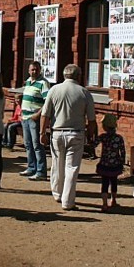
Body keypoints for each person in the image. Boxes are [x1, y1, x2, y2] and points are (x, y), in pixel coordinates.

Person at [40, 64, 97, 211]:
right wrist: (91, 136)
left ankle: (57, 193)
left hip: (57, 132)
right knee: (72, 168)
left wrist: (42, 133)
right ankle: (68, 200)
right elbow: (91, 120)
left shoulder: (54, 90)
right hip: (76, 133)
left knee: (57, 164)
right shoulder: (84, 93)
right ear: (79, 76)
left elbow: (45, 114)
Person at [19, 61, 50, 181]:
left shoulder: (43, 83)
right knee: (28, 144)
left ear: (40, 70)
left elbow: (47, 101)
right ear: (29, 70)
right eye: (32, 70)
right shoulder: (28, 81)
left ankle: (41, 171)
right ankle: (31, 167)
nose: (34, 72)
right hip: (25, 117)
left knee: (37, 144)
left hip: (34, 118)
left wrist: (38, 114)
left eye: (36, 69)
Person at [96, 113, 125, 212]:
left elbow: (94, 144)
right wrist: (122, 161)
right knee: (114, 182)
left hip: (104, 164)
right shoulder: (119, 138)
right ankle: (113, 200)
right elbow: (123, 151)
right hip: (115, 164)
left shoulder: (103, 137)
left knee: (104, 184)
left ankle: (104, 204)